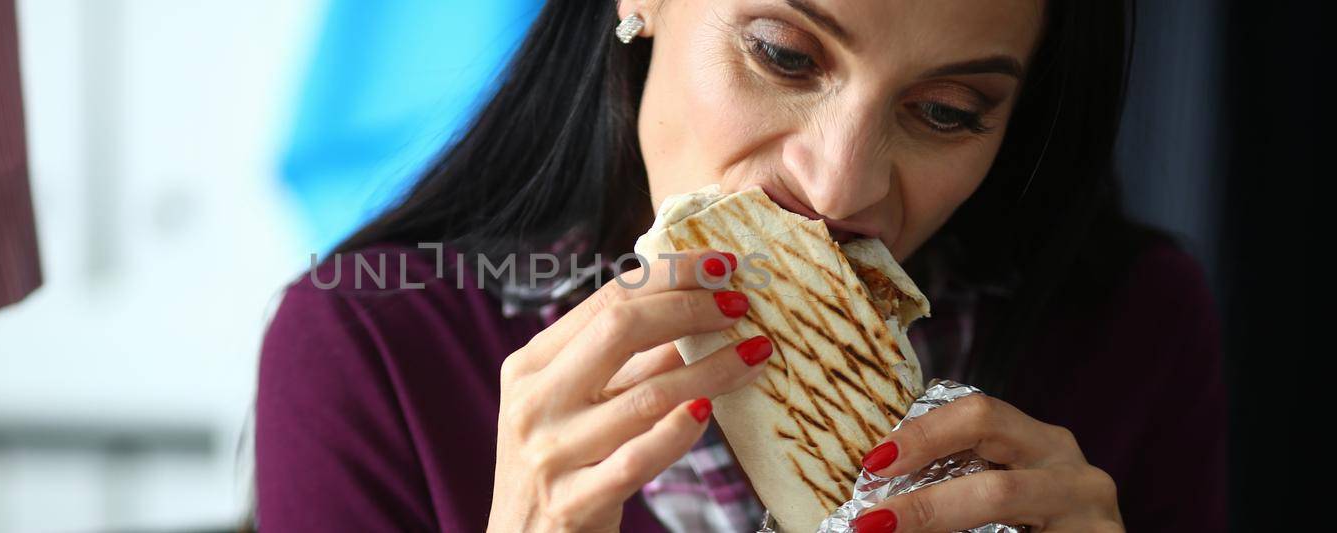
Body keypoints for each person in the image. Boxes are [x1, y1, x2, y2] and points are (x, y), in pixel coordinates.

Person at [255, 1, 1226, 532]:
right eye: (783, 55)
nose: (839, 188)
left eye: (944, 112)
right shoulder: (369, 346)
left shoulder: (1128, 329)